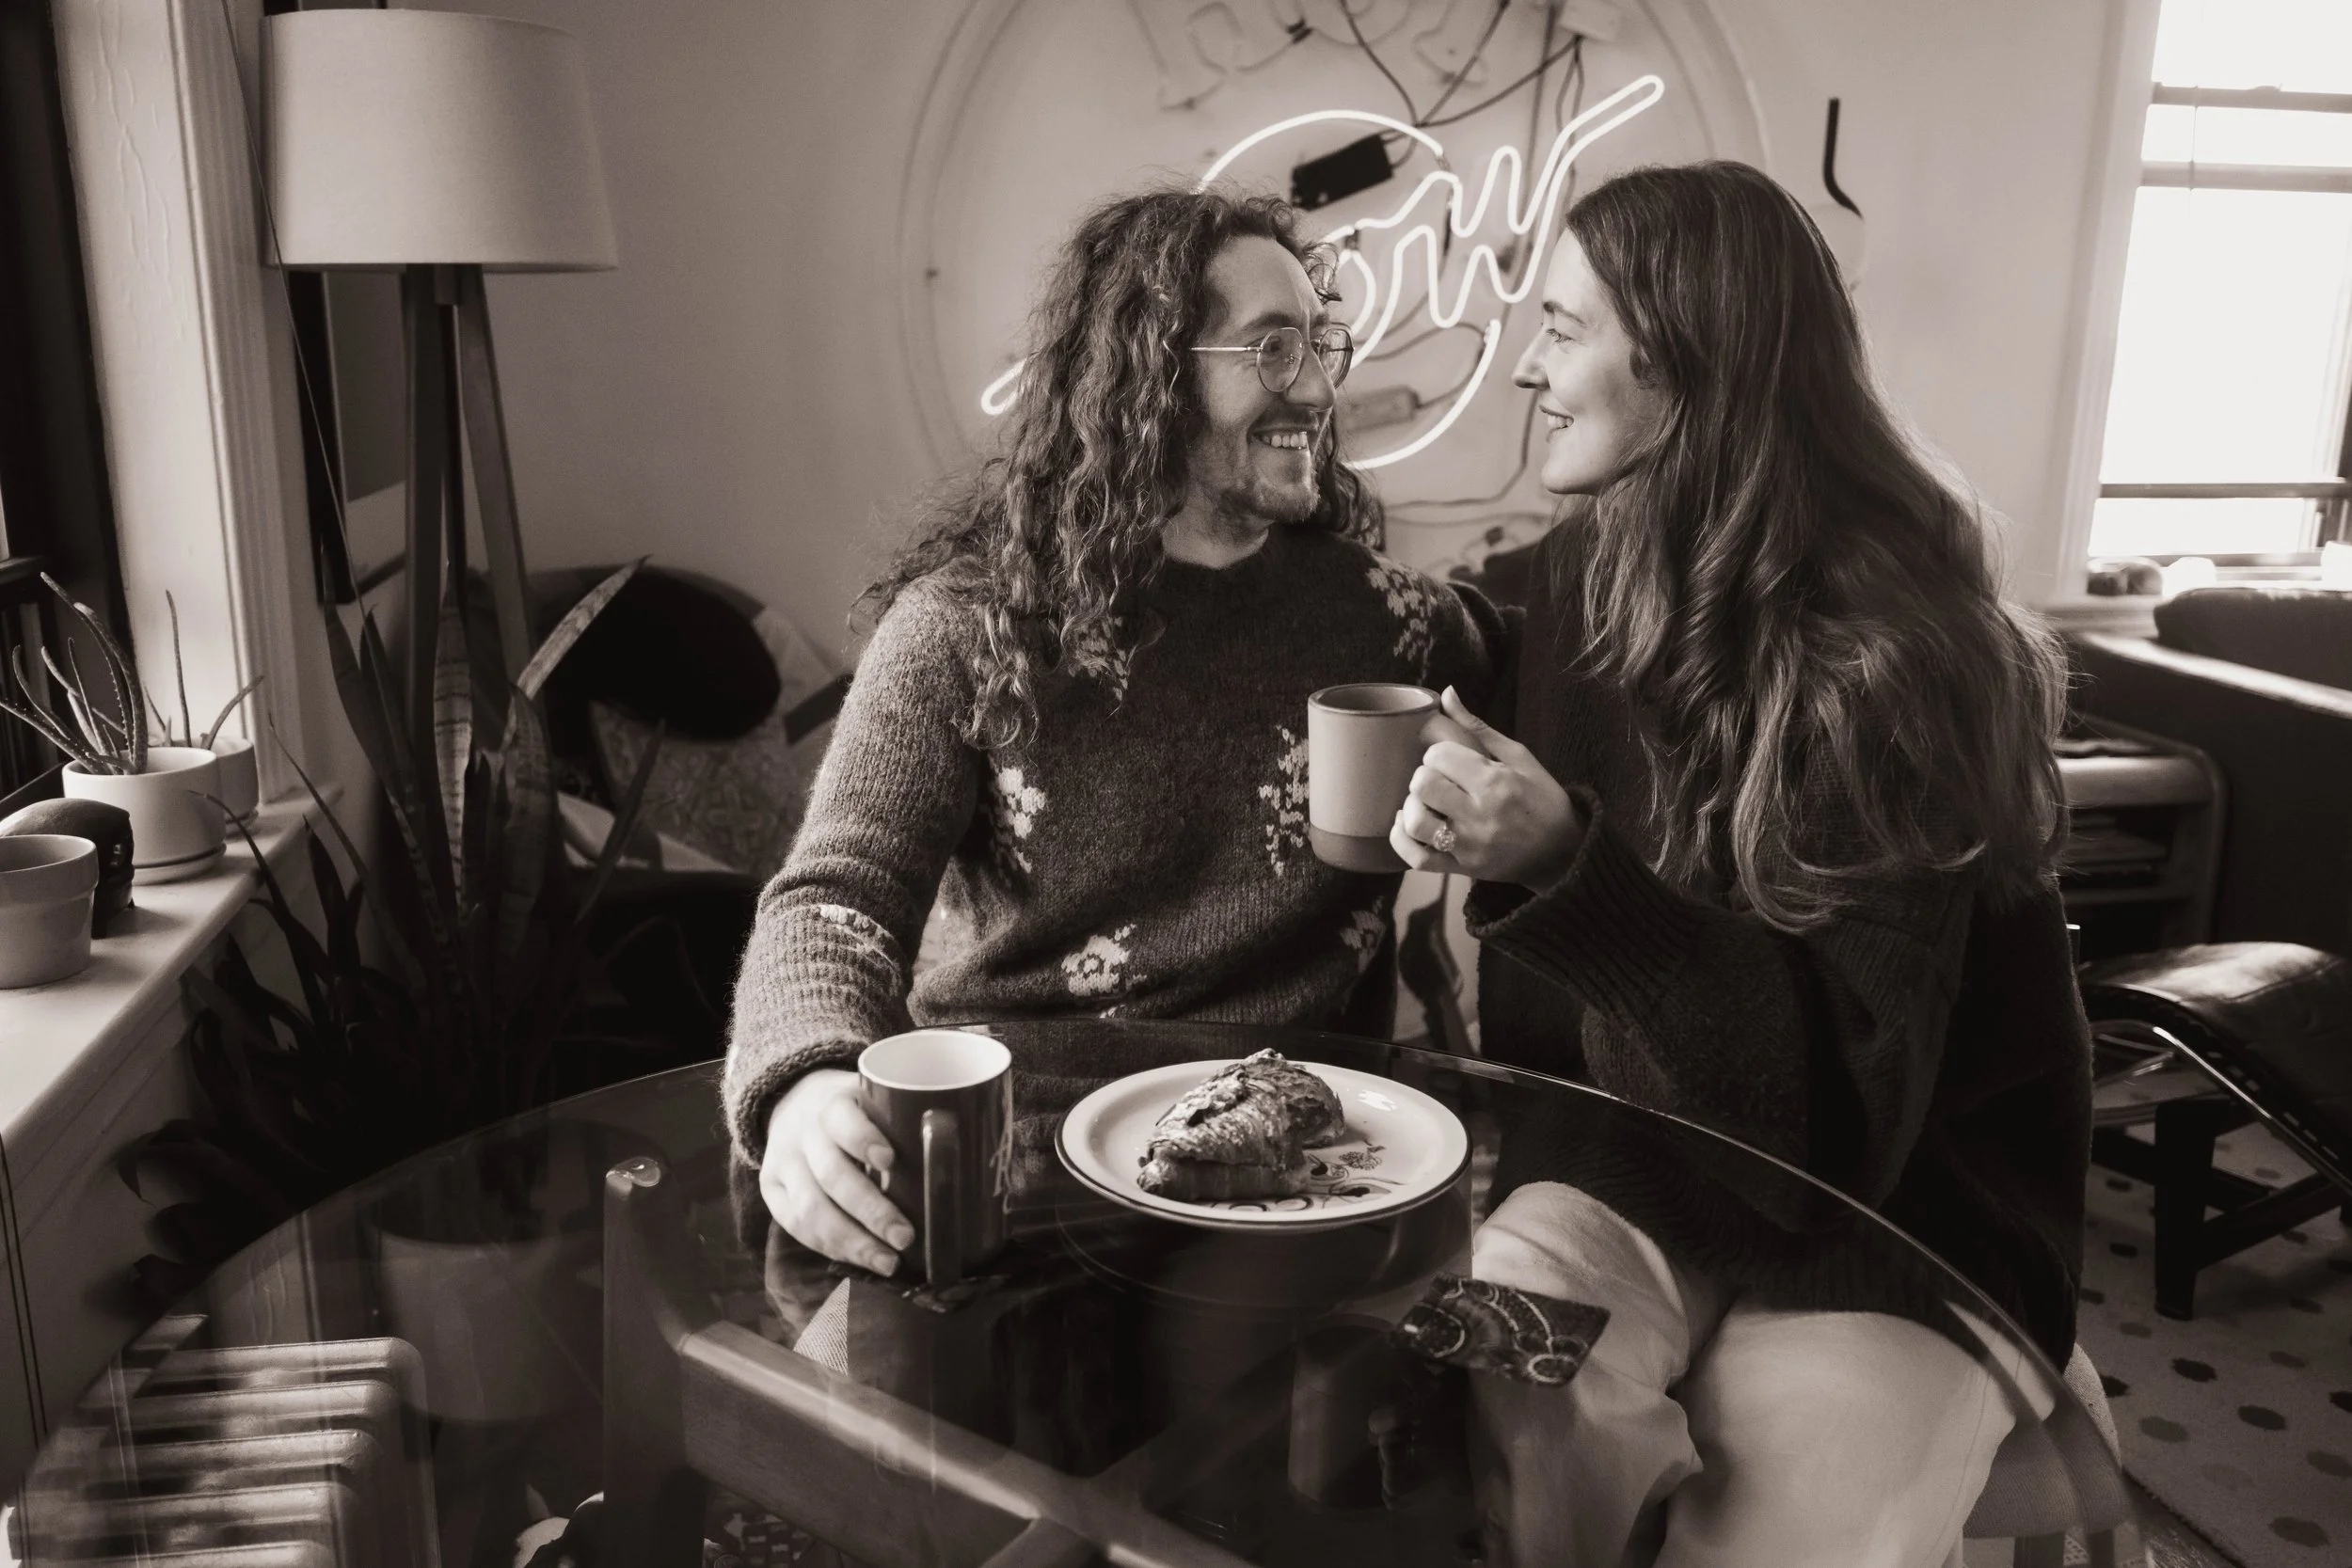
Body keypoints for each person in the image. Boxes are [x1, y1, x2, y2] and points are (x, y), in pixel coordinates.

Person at [1391, 162, 2090, 1566]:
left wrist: (1571, 868)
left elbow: (1836, 1129)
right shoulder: (1583, 574)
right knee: (1465, 1350)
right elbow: (1437, 631)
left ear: (1683, 359)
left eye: (1565, 326)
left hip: (1897, 1231)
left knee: (1779, 1518)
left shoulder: (1892, 663)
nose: (1526, 364)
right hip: (1638, 1173)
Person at [726, 188, 1503, 1275]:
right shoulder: (968, 624)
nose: (1321, 389)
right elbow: (836, 894)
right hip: (1013, 1160)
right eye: (1274, 350)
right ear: (1147, 371)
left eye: (1319, 345)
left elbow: (1569, 689)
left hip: (1299, 1167)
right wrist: (806, 1079)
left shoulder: (1394, 619)